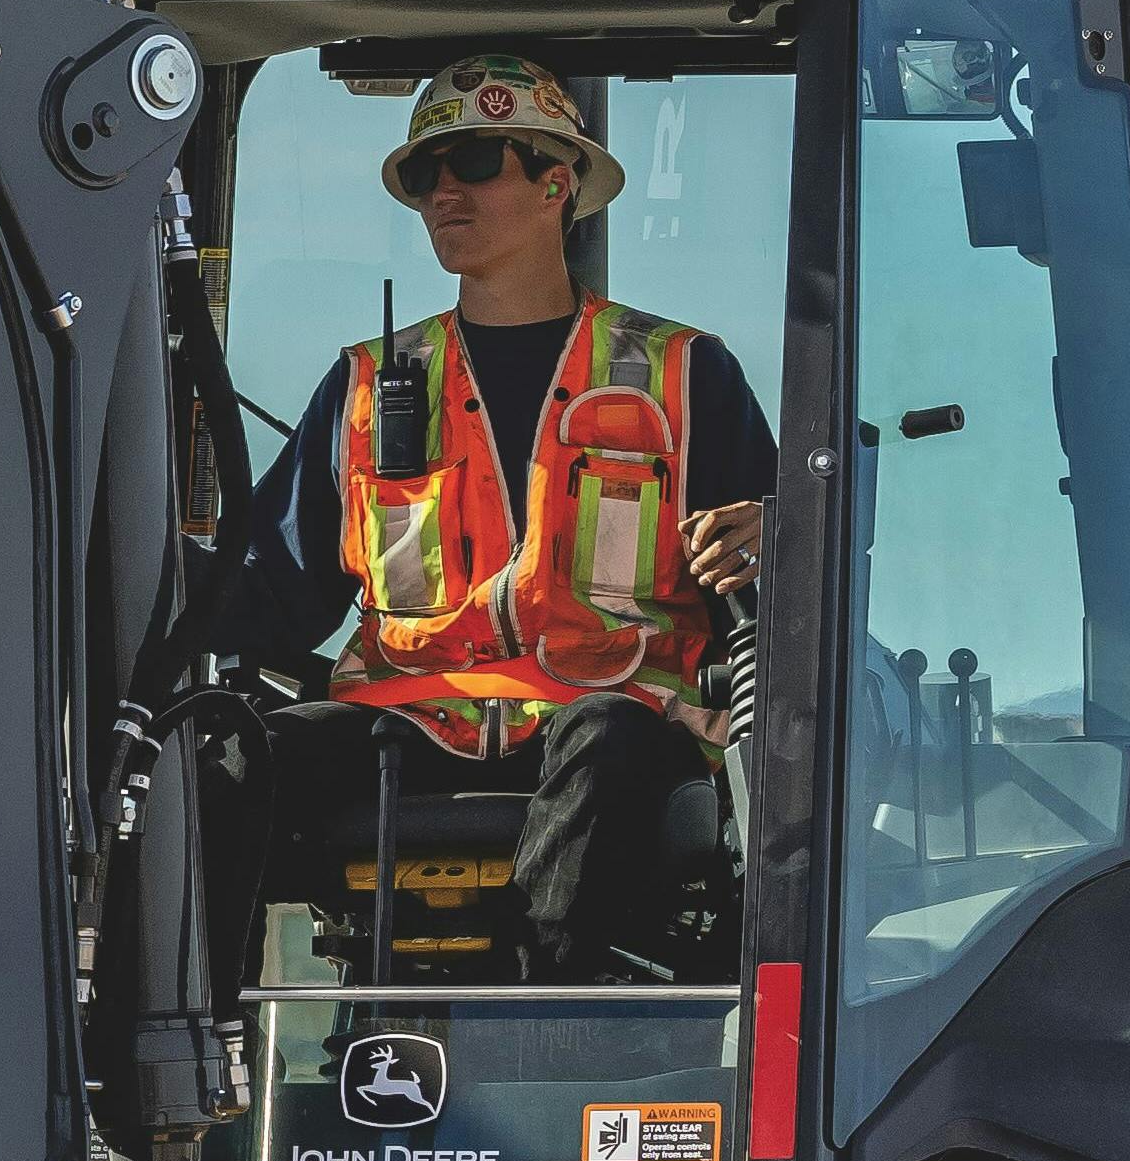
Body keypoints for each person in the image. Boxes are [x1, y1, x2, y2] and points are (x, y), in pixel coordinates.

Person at [192, 57, 774, 988]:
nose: (444, 194)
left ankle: (543, 1028)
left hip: (615, 720)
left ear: (559, 182)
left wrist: (766, 540)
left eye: (473, 162)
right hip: (406, 718)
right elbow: (272, 594)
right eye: (426, 175)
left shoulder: (685, 376)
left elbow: (774, 568)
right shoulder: (366, 385)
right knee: (220, 757)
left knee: (607, 743)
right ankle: (180, 1065)